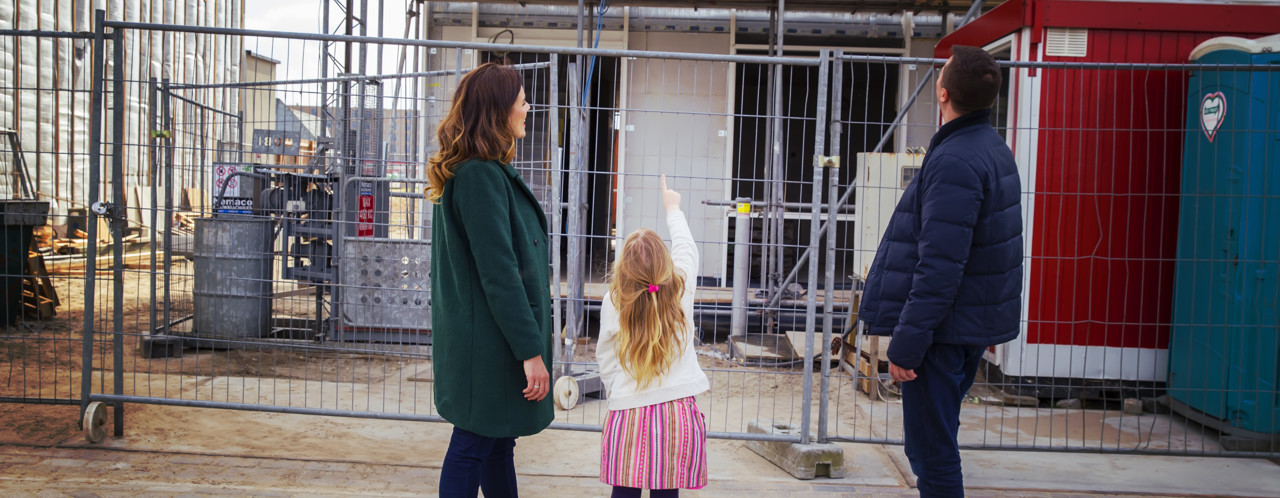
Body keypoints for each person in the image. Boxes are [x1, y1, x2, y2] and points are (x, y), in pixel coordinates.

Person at [857, 46, 1023, 498]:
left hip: (942, 333)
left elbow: (939, 267)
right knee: (938, 439)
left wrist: (907, 345)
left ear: (942, 93)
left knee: (932, 453)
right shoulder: (991, 148)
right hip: (964, 325)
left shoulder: (956, 160)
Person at [427, 62, 551, 498]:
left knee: (498, 441)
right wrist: (530, 350)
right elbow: (500, 274)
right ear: (500, 112)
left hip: (487, 339)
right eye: (521, 102)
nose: (528, 108)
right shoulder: (480, 176)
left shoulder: (480, 171)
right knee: (473, 444)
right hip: (489, 344)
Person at [596, 175, 711, 498]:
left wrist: (617, 389)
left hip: (627, 410)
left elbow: (605, 355)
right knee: (666, 492)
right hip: (677, 412)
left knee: (625, 491)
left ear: (623, 269)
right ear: (665, 262)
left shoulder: (614, 300)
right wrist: (672, 207)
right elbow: (687, 246)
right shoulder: (682, 287)